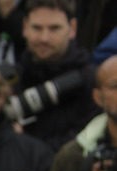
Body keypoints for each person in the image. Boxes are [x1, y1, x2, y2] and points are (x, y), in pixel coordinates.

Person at [9, 0, 99, 152]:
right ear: (25, 27)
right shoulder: (9, 81)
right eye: (37, 28)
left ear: (72, 29)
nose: (44, 38)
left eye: (54, 28)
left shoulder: (93, 82)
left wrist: (26, 146)